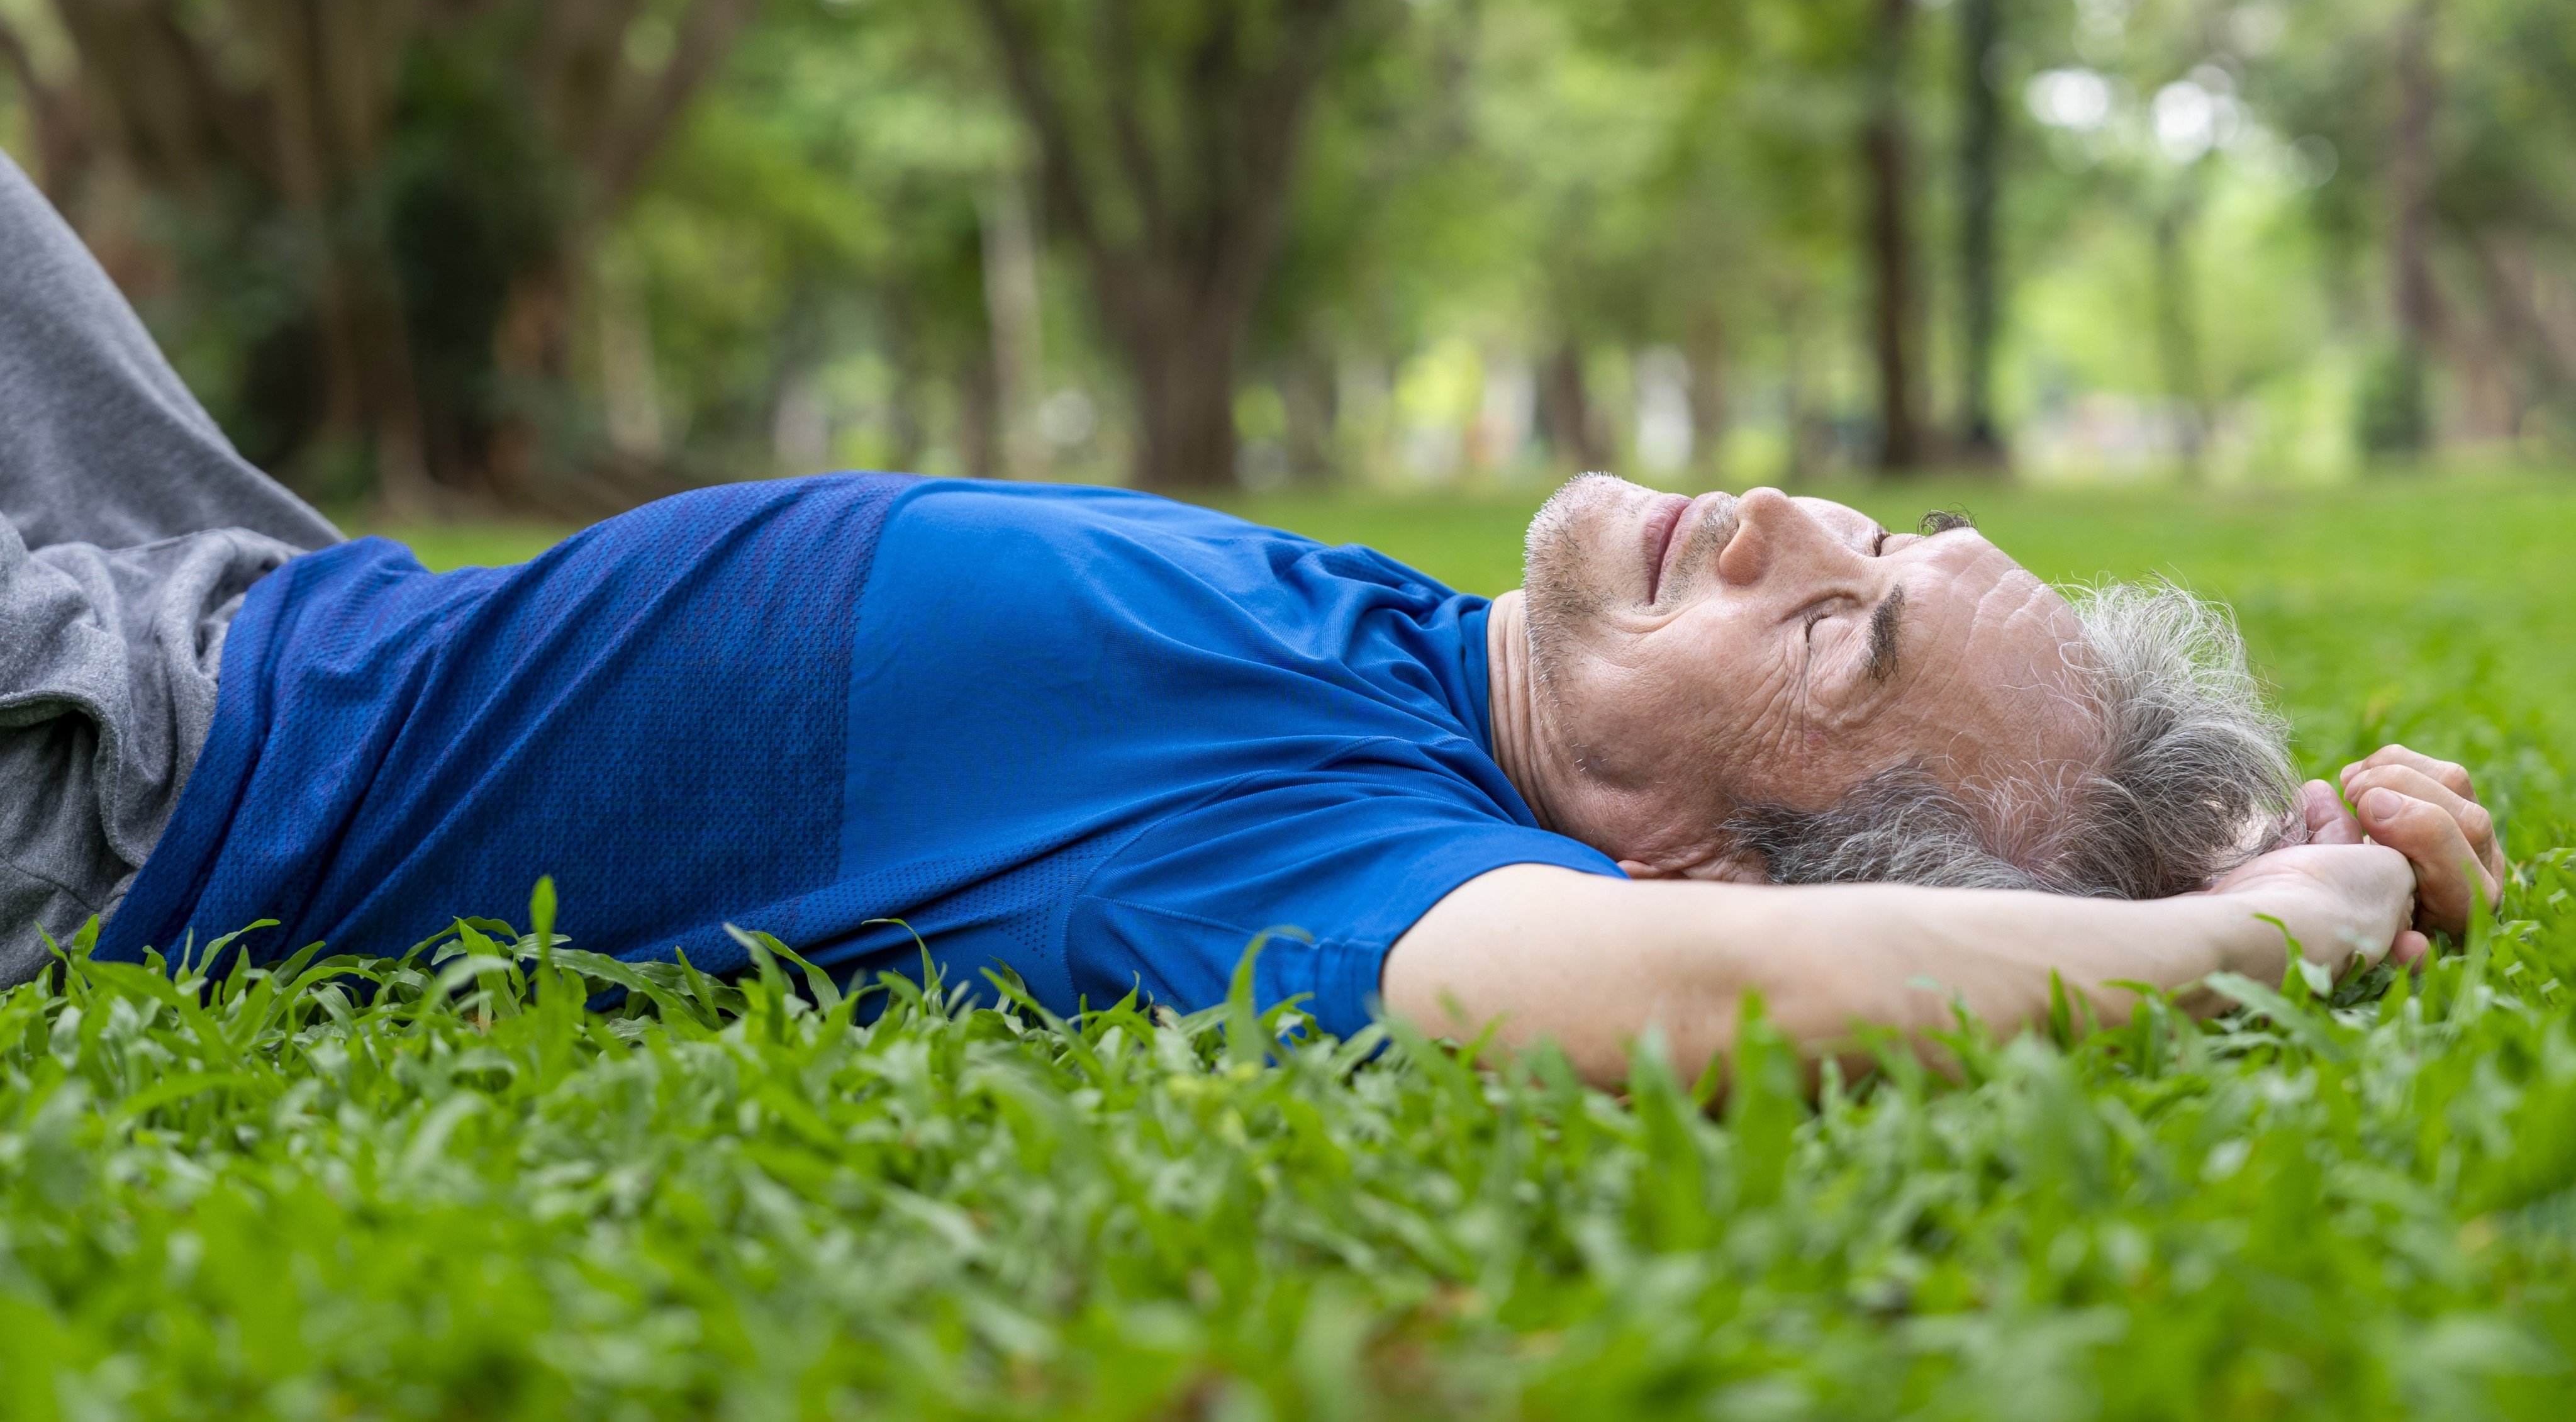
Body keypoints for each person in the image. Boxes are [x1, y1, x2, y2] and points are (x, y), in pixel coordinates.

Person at [0, 154, 2507, 1087]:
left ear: (1706, 864)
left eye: (1835, 636)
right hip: (244, 565)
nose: (1773, 517)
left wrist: (2231, 953)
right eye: (1871, 537)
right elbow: (2044, 812)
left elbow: (1690, 1015)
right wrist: (2275, 841)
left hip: (109, 769)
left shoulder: (1340, 845)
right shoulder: (1426, 661)